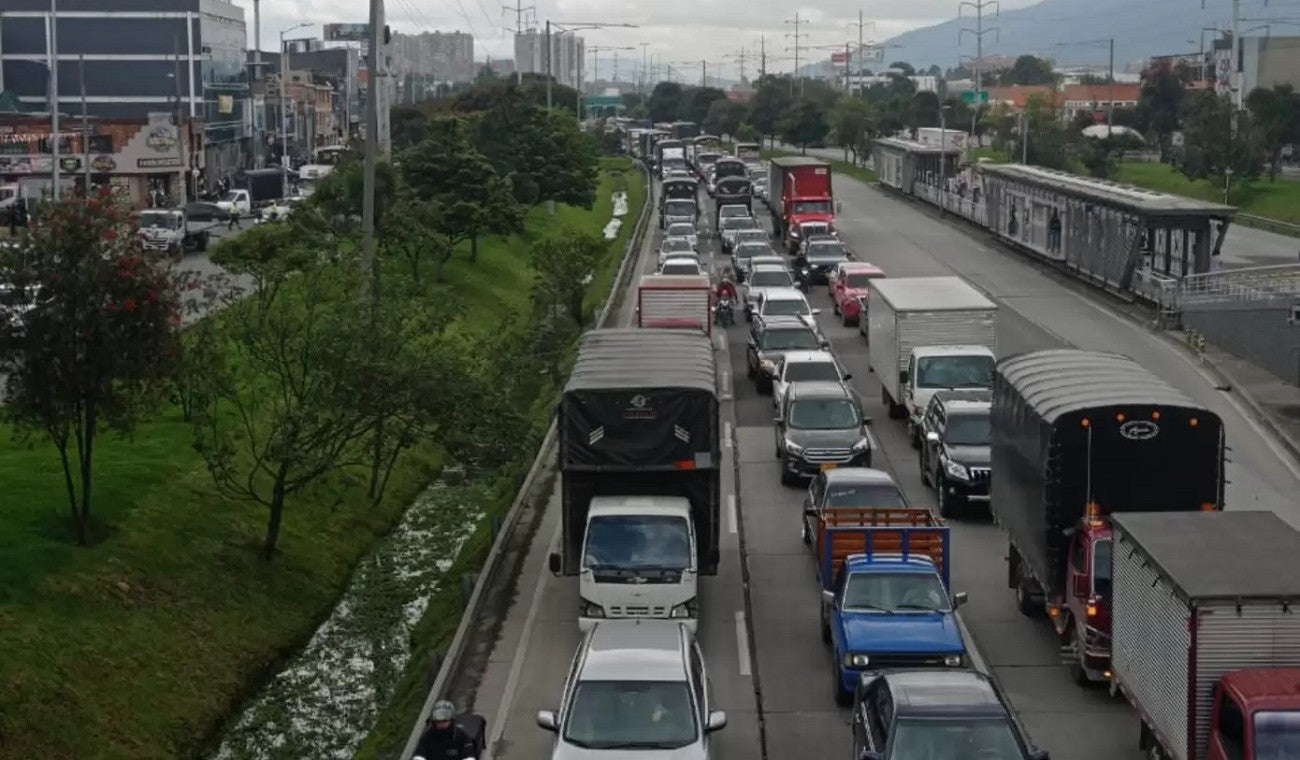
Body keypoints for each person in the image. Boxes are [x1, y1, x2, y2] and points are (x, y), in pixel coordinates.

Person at [413, 700, 478, 759]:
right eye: (438, 722)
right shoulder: (428, 736)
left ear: (451, 721)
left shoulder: (461, 736)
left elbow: (469, 757)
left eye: (444, 721)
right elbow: (419, 755)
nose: (441, 724)